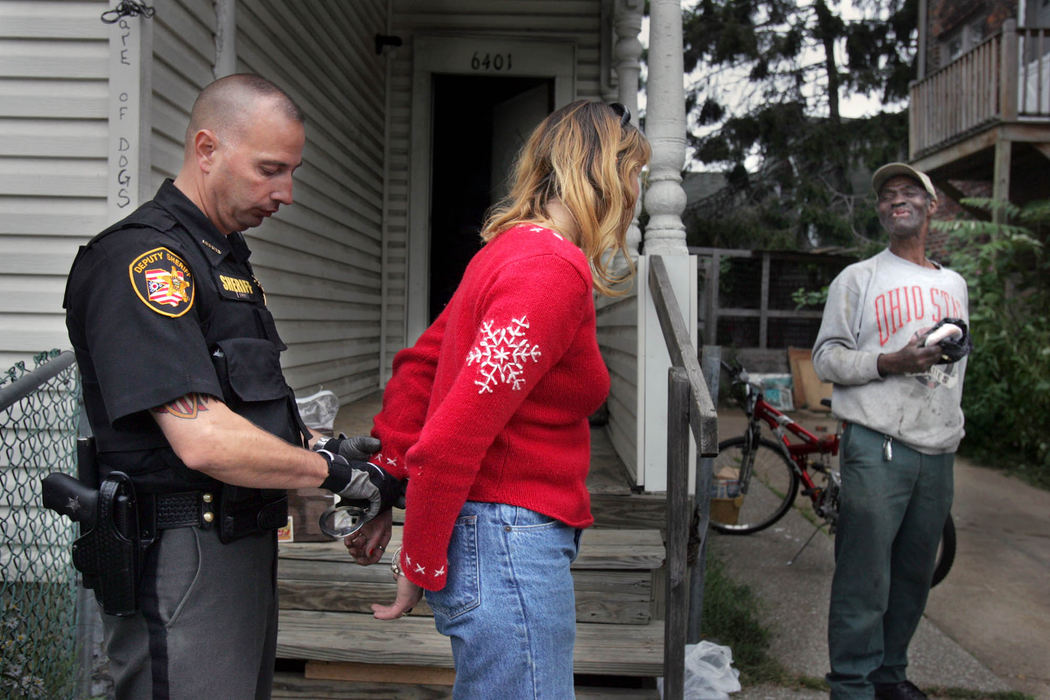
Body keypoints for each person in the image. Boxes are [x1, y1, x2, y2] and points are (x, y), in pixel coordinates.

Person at [62, 73, 400, 699]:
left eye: (292, 172)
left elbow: (245, 406)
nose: (287, 193)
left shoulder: (224, 260)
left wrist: (330, 449)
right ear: (207, 149)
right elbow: (205, 441)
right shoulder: (145, 263)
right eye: (271, 169)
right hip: (181, 553)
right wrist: (331, 475)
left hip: (238, 541)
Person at [345, 100, 650, 698]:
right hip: (509, 540)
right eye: (635, 171)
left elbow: (419, 371)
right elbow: (453, 434)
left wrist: (385, 477)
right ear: (608, 173)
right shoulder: (549, 270)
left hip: (496, 536)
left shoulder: (509, 251)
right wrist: (420, 558)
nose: (638, 189)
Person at [812, 163, 971, 700]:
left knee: (912, 576)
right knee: (865, 577)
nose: (896, 200)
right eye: (887, 195)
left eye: (909, 193)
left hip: (937, 447)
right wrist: (892, 362)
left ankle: (889, 677)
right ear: (881, 211)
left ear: (932, 207)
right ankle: (852, 685)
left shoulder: (954, 284)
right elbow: (827, 359)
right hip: (876, 444)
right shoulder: (858, 279)